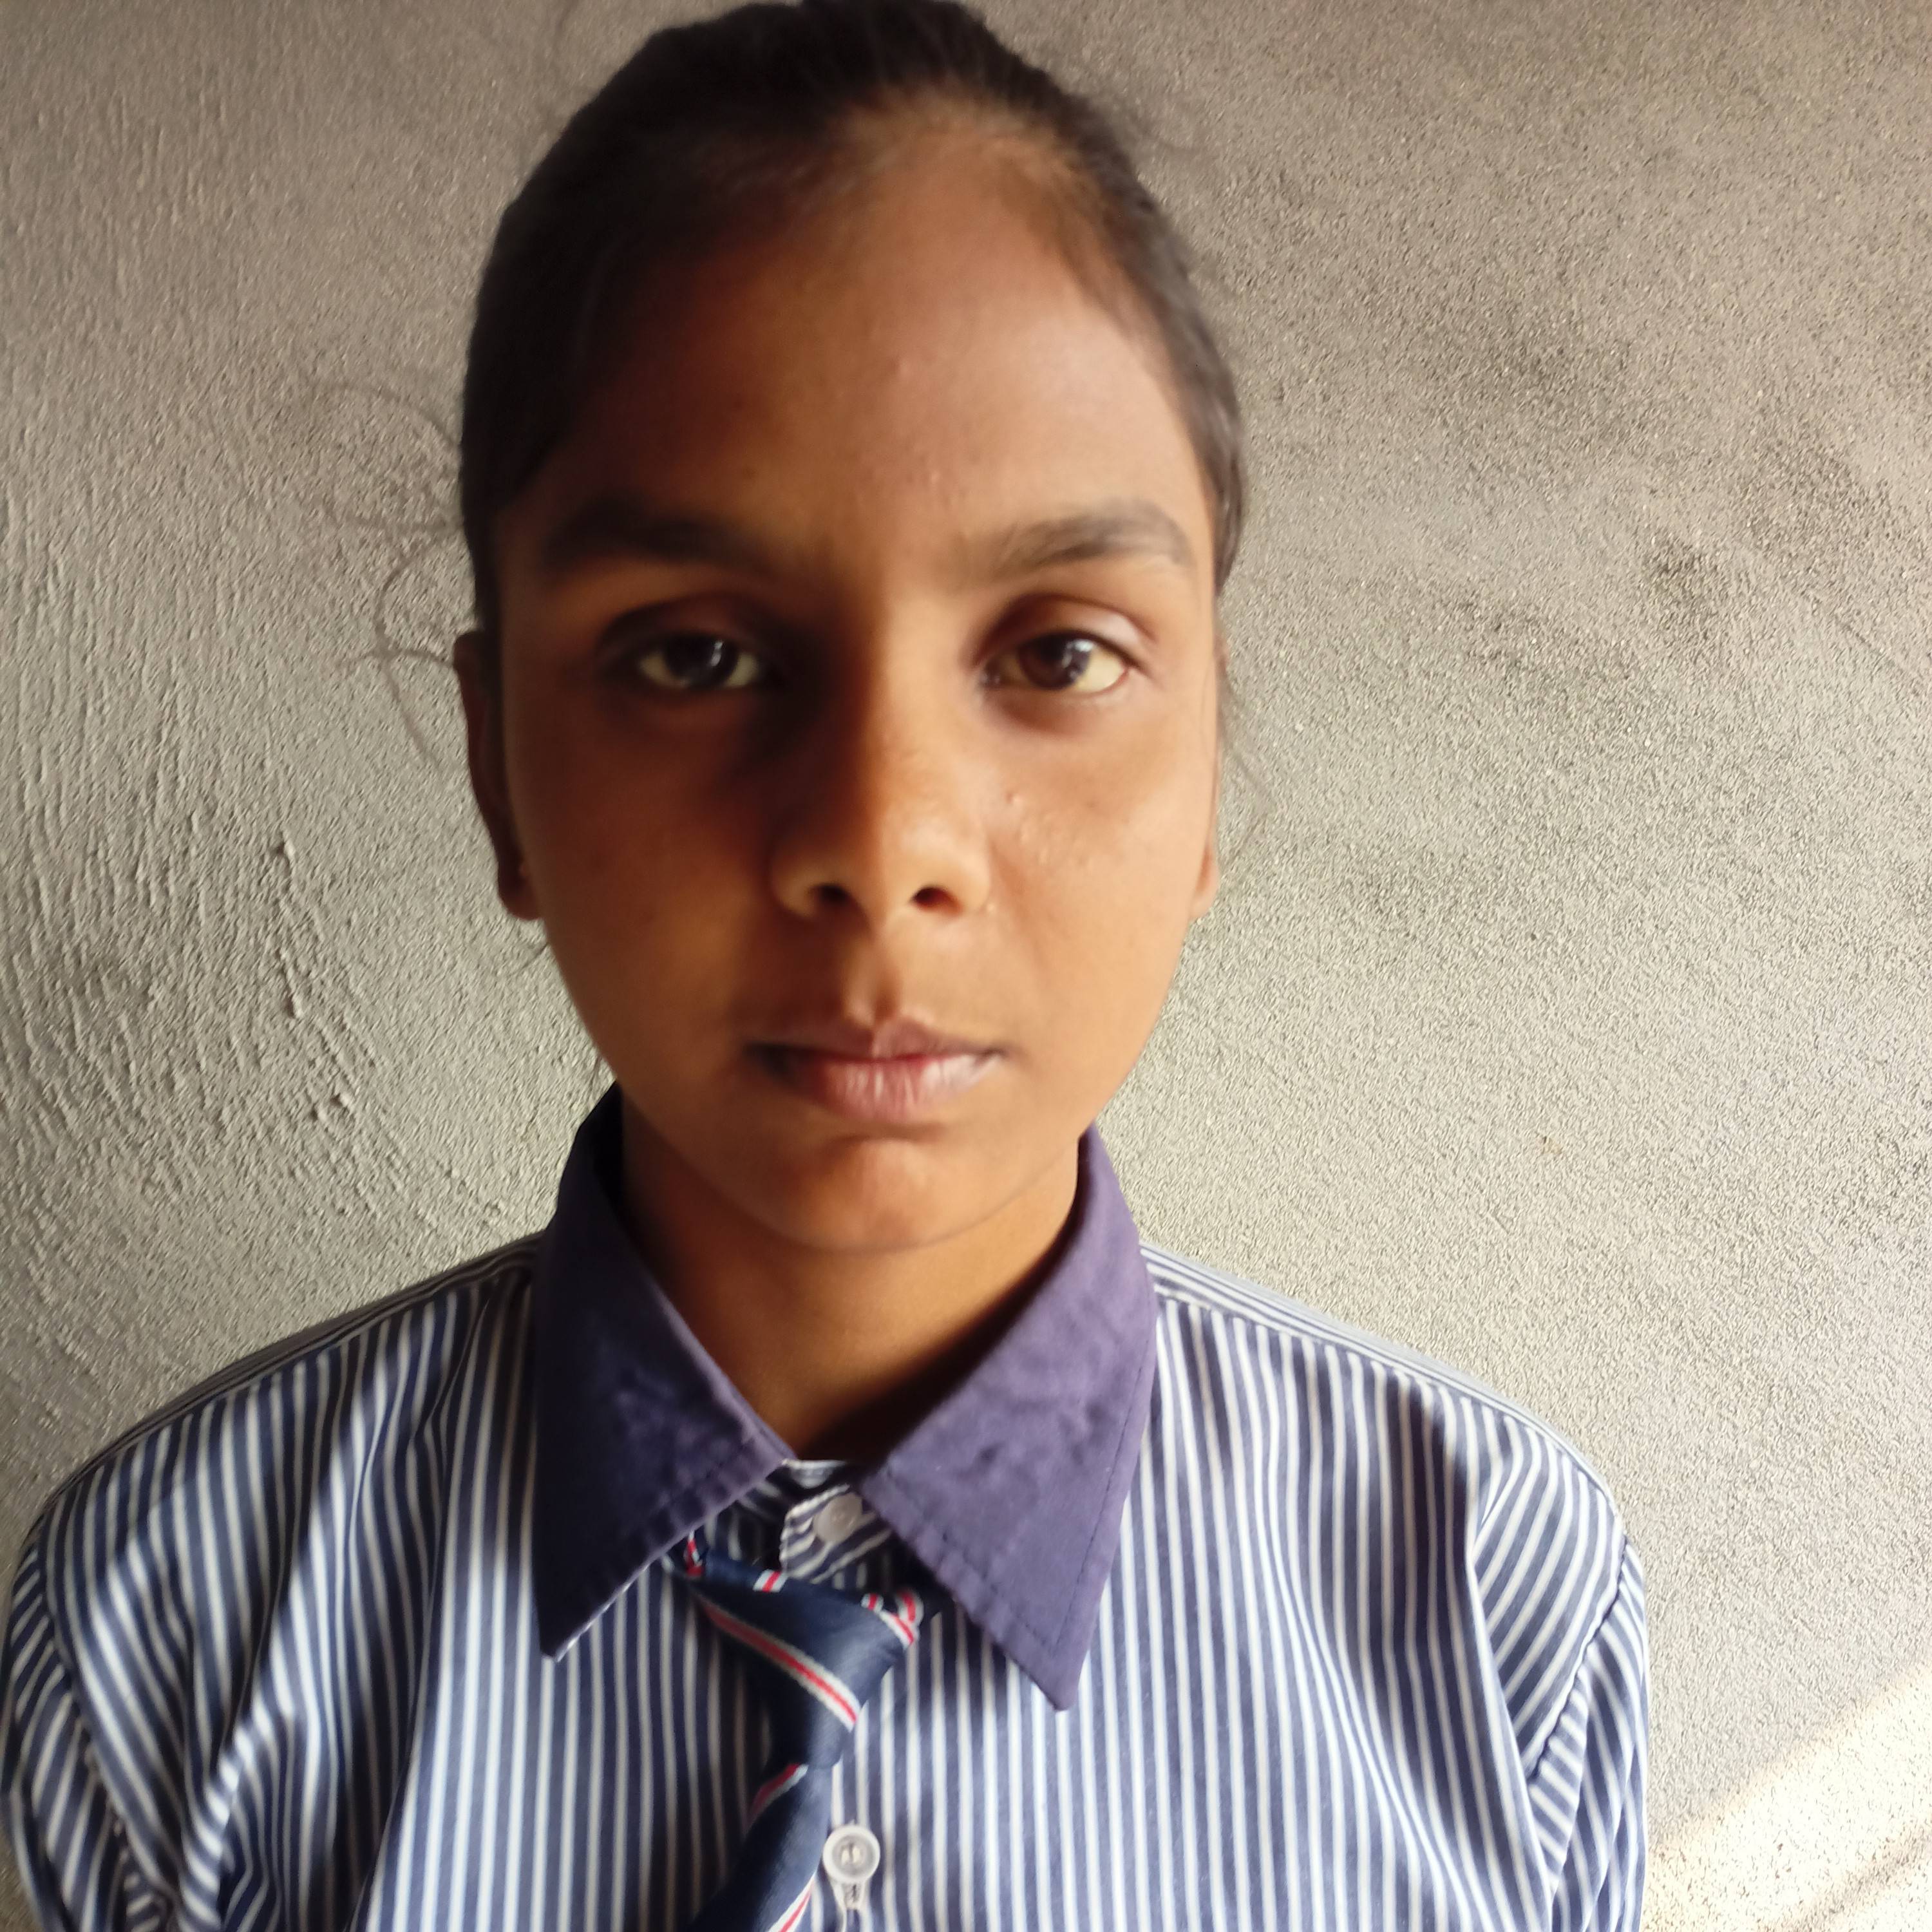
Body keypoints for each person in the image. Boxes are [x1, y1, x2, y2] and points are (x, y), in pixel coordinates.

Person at [0, 1, 1647, 1926]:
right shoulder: (166, 1630)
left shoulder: (1492, 1601)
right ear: (499, 769)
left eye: (1058, 653)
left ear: (1210, 769)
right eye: (697, 654)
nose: (882, 838)